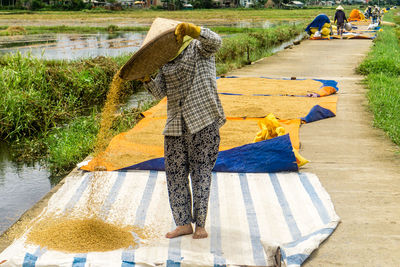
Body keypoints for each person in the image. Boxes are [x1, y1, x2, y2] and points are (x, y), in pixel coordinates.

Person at [141, 22, 225, 239]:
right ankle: (183, 223)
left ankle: (201, 225)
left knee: (201, 173)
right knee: (175, 174)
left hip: (203, 120)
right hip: (176, 125)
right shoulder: (164, 61)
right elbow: (159, 91)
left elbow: (216, 42)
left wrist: (193, 30)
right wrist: (145, 77)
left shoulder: (198, 47)